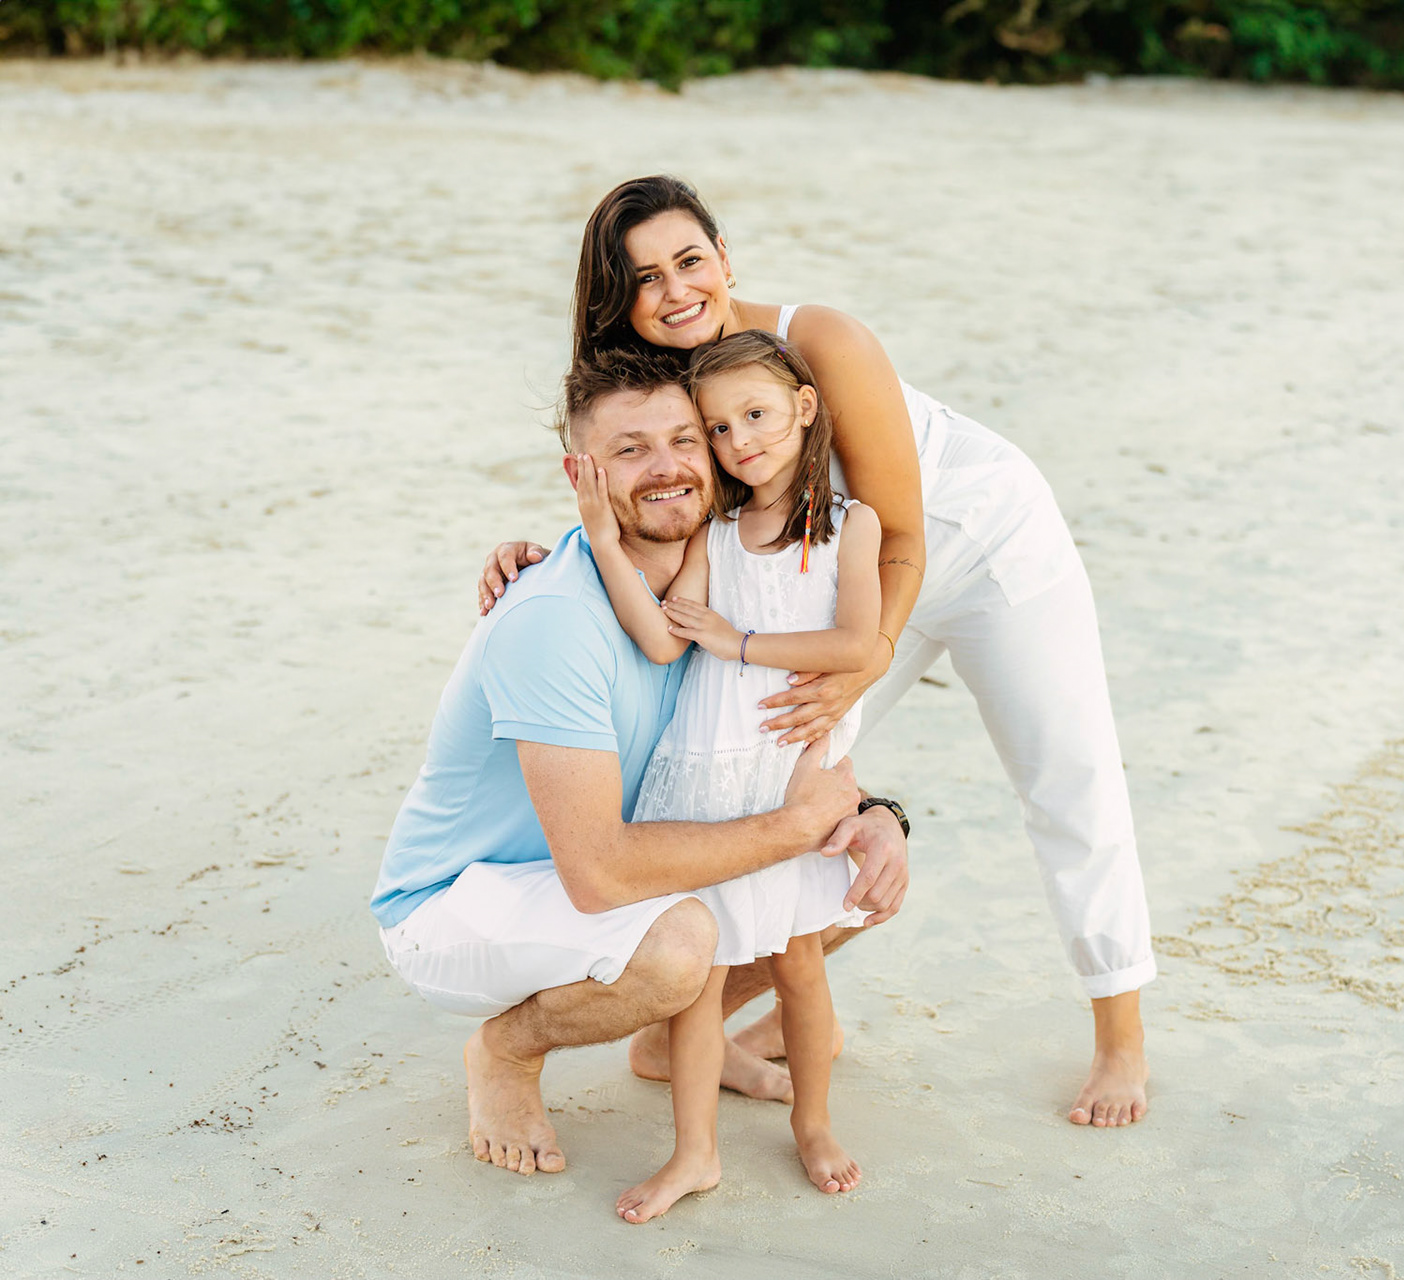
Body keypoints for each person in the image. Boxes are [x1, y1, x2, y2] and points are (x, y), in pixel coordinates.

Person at [483, 175, 1152, 1127]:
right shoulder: (666, 385)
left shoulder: (820, 340)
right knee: (749, 780)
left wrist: (865, 661)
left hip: (970, 546)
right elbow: (644, 509)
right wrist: (533, 554)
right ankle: (719, 1022)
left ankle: (1120, 1036)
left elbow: (906, 532)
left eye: (689, 260)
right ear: (614, 301)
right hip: (832, 584)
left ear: (724, 257)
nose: (676, 290)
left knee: (1067, 776)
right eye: (644, 279)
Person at [371, 347, 909, 1207]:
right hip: (462, 899)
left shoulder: (718, 568)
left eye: (684, 439)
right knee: (680, 943)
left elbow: (753, 725)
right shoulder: (553, 621)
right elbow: (602, 877)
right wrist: (797, 827)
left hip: (593, 869)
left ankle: (672, 1045)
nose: (666, 468)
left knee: (836, 885)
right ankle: (505, 1051)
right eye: (629, 450)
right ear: (582, 472)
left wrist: (870, 811)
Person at [576, 331, 881, 1220]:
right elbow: (664, 635)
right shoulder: (715, 528)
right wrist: (600, 539)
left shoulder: (846, 525)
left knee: (799, 966)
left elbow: (856, 643)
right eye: (718, 427)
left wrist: (738, 642)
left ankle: (816, 1123)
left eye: (756, 414)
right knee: (700, 983)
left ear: (804, 407)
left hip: (784, 777)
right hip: (704, 779)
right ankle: (694, 1153)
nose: (740, 440)